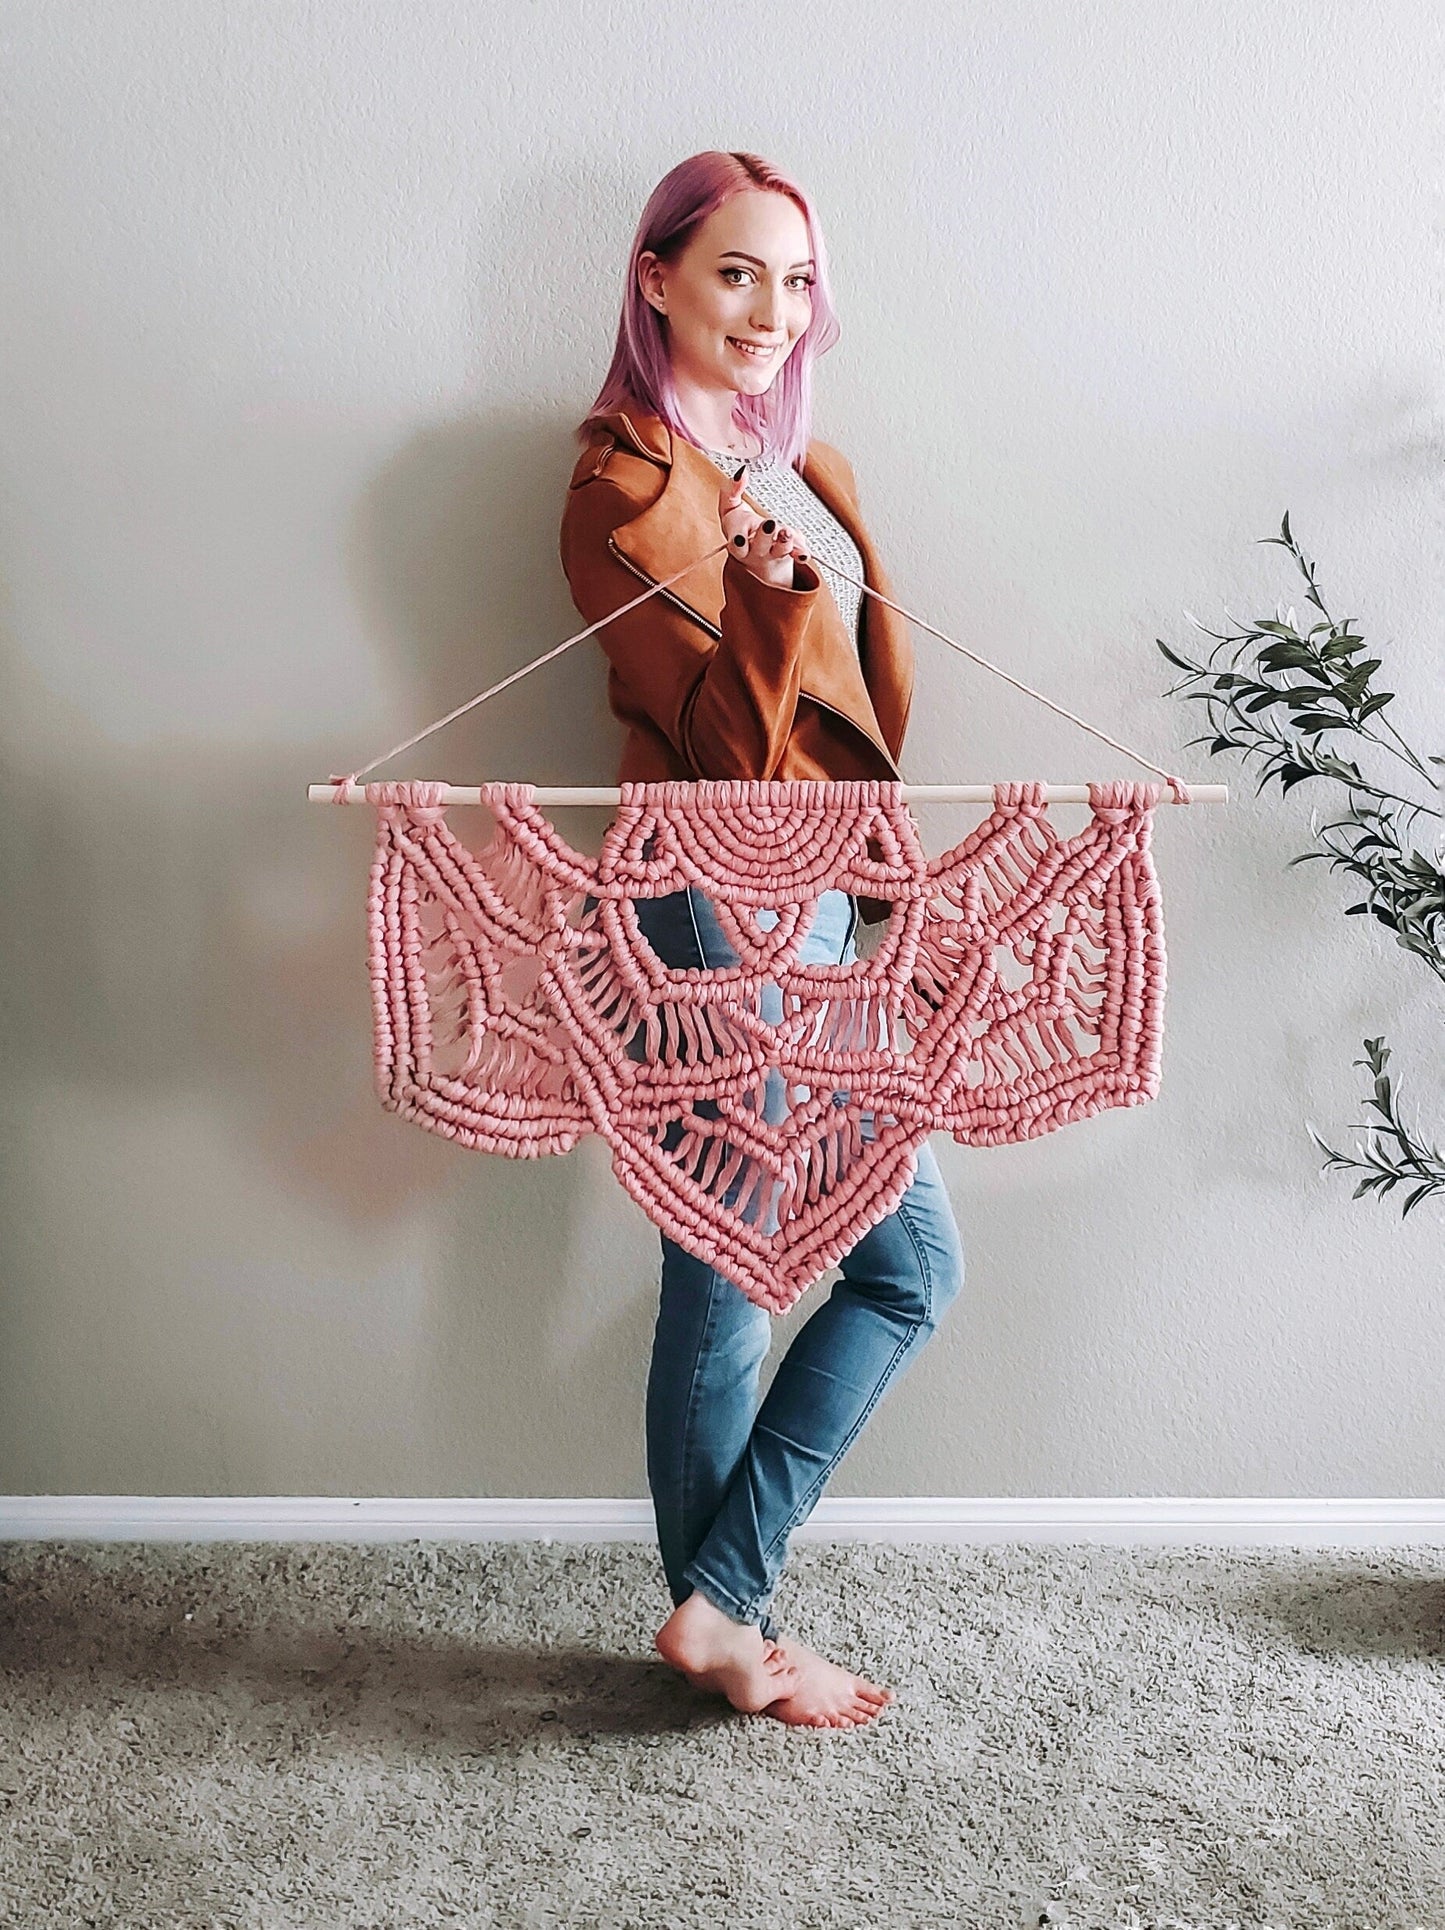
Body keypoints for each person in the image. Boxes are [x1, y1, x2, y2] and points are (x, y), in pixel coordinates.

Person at [558, 150, 965, 1731]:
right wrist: (773, 607)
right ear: (654, 276)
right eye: (736, 272)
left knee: (908, 1267)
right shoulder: (618, 488)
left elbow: (859, 719)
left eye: (796, 280)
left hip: (825, 893)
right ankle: (726, 1619)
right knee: (726, 1262)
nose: (774, 311)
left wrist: (880, 879)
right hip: (711, 890)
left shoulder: (801, 469)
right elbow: (727, 737)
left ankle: (721, 1597)